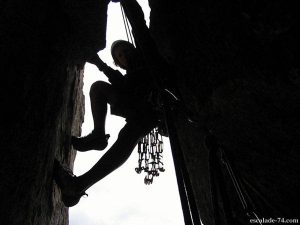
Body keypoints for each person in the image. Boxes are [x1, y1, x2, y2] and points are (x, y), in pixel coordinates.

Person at [54, 0, 170, 207]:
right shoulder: (129, 78)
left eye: (125, 49)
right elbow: (123, 85)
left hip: (154, 106)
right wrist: (99, 64)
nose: (124, 53)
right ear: (120, 63)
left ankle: (79, 184)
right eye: (119, 55)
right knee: (98, 88)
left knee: (129, 134)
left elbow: (138, 24)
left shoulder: (148, 56)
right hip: (142, 106)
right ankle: (98, 136)